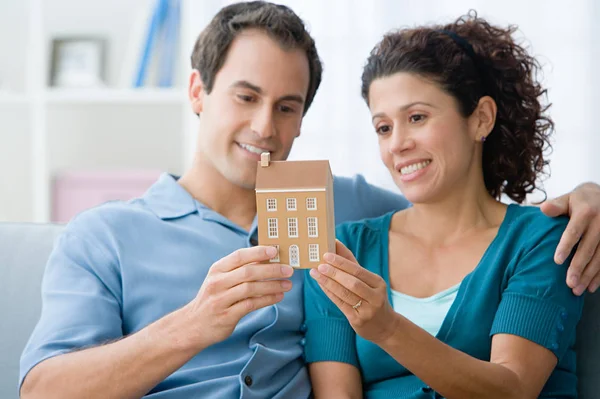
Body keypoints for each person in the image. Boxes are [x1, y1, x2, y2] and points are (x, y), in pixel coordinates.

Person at [18, 2, 600, 399]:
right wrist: (192, 326)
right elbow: (42, 389)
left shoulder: (345, 214)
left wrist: (588, 198)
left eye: (287, 106)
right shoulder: (106, 234)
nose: (264, 126)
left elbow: (447, 200)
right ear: (199, 91)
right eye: (245, 97)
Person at [304, 13, 589, 399]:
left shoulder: (542, 240)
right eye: (383, 128)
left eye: (417, 117)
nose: (397, 144)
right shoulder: (343, 252)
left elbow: (514, 388)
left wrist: (387, 328)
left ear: (481, 119)